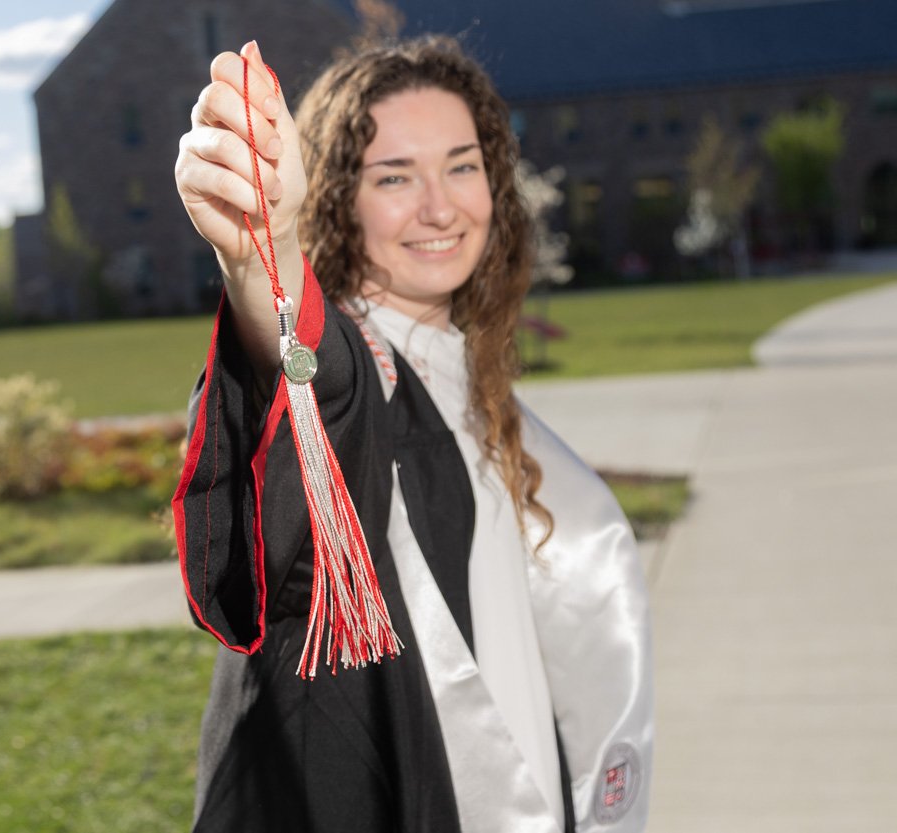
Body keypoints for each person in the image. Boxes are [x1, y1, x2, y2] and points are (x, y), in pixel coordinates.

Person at [173, 35, 652, 833]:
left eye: (462, 165)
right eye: (394, 177)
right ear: (333, 195)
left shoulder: (468, 377)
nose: (441, 206)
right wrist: (268, 252)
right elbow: (317, 388)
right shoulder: (367, 371)